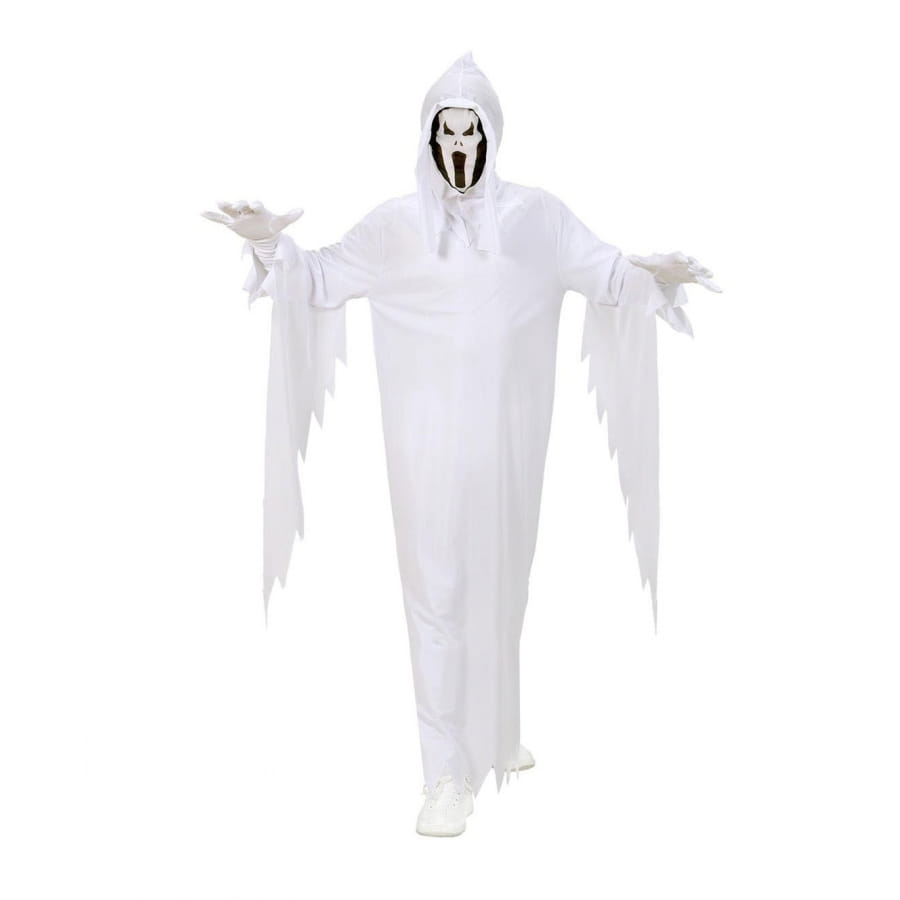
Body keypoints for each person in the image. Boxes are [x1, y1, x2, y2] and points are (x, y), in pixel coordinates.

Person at [203, 52, 721, 837]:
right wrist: (271, 248)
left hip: (510, 447)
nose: (458, 145)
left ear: (491, 134)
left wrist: (659, 276)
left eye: (470, 130)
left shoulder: (535, 220)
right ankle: (446, 772)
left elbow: (607, 274)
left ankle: (495, 724)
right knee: (437, 594)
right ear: (427, 136)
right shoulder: (396, 228)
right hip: (426, 450)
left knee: (506, 581)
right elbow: (320, 279)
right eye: (445, 131)